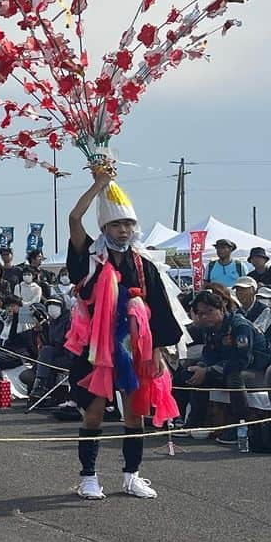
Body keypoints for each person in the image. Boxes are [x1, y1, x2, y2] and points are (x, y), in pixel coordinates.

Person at [65, 171, 182, 501]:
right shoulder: (90, 257)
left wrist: (157, 350)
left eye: (129, 224)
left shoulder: (143, 264)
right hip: (95, 345)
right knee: (95, 411)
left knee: (136, 411)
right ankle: (88, 477)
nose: (124, 230)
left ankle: (132, 475)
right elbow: (74, 217)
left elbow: (158, 309)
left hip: (134, 346)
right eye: (117, 225)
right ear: (104, 228)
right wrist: (99, 185)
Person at [187, 289, 271, 445]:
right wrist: (202, 367)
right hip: (229, 367)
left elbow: (241, 361)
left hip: (258, 372)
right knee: (194, 374)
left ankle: (240, 424)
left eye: (209, 312)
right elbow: (210, 355)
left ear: (221, 309)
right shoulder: (210, 328)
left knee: (233, 376)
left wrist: (209, 370)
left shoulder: (239, 326)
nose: (205, 317)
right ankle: (195, 422)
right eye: (201, 314)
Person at [28, 297, 74, 405]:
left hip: (70, 356)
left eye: (55, 305)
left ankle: (41, 386)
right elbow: (50, 342)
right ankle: (41, 387)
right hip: (57, 354)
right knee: (45, 353)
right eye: (49, 305)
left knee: (46, 358)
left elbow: (64, 342)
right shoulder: (53, 322)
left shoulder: (69, 320)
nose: (52, 308)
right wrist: (43, 330)